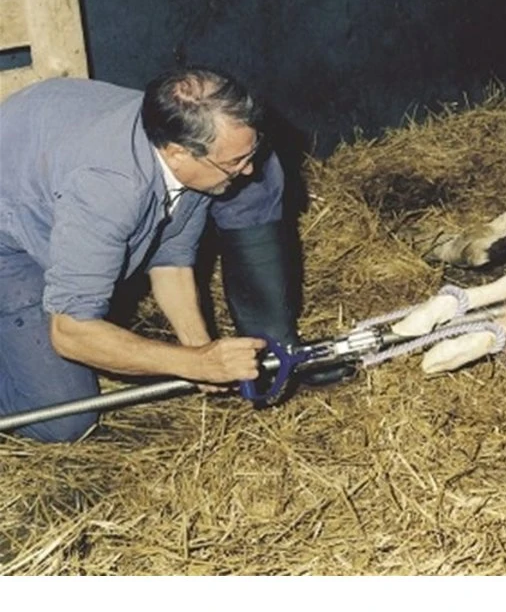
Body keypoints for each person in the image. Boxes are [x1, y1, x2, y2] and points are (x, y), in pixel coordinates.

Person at [0, 68, 300, 442]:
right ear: (177, 153)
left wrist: (200, 347)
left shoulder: (184, 151)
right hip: (9, 240)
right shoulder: (111, 189)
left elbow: (170, 259)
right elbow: (71, 332)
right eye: (235, 162)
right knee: (63, 421)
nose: (249, 170)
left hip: (49, 193)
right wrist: (195, 363)